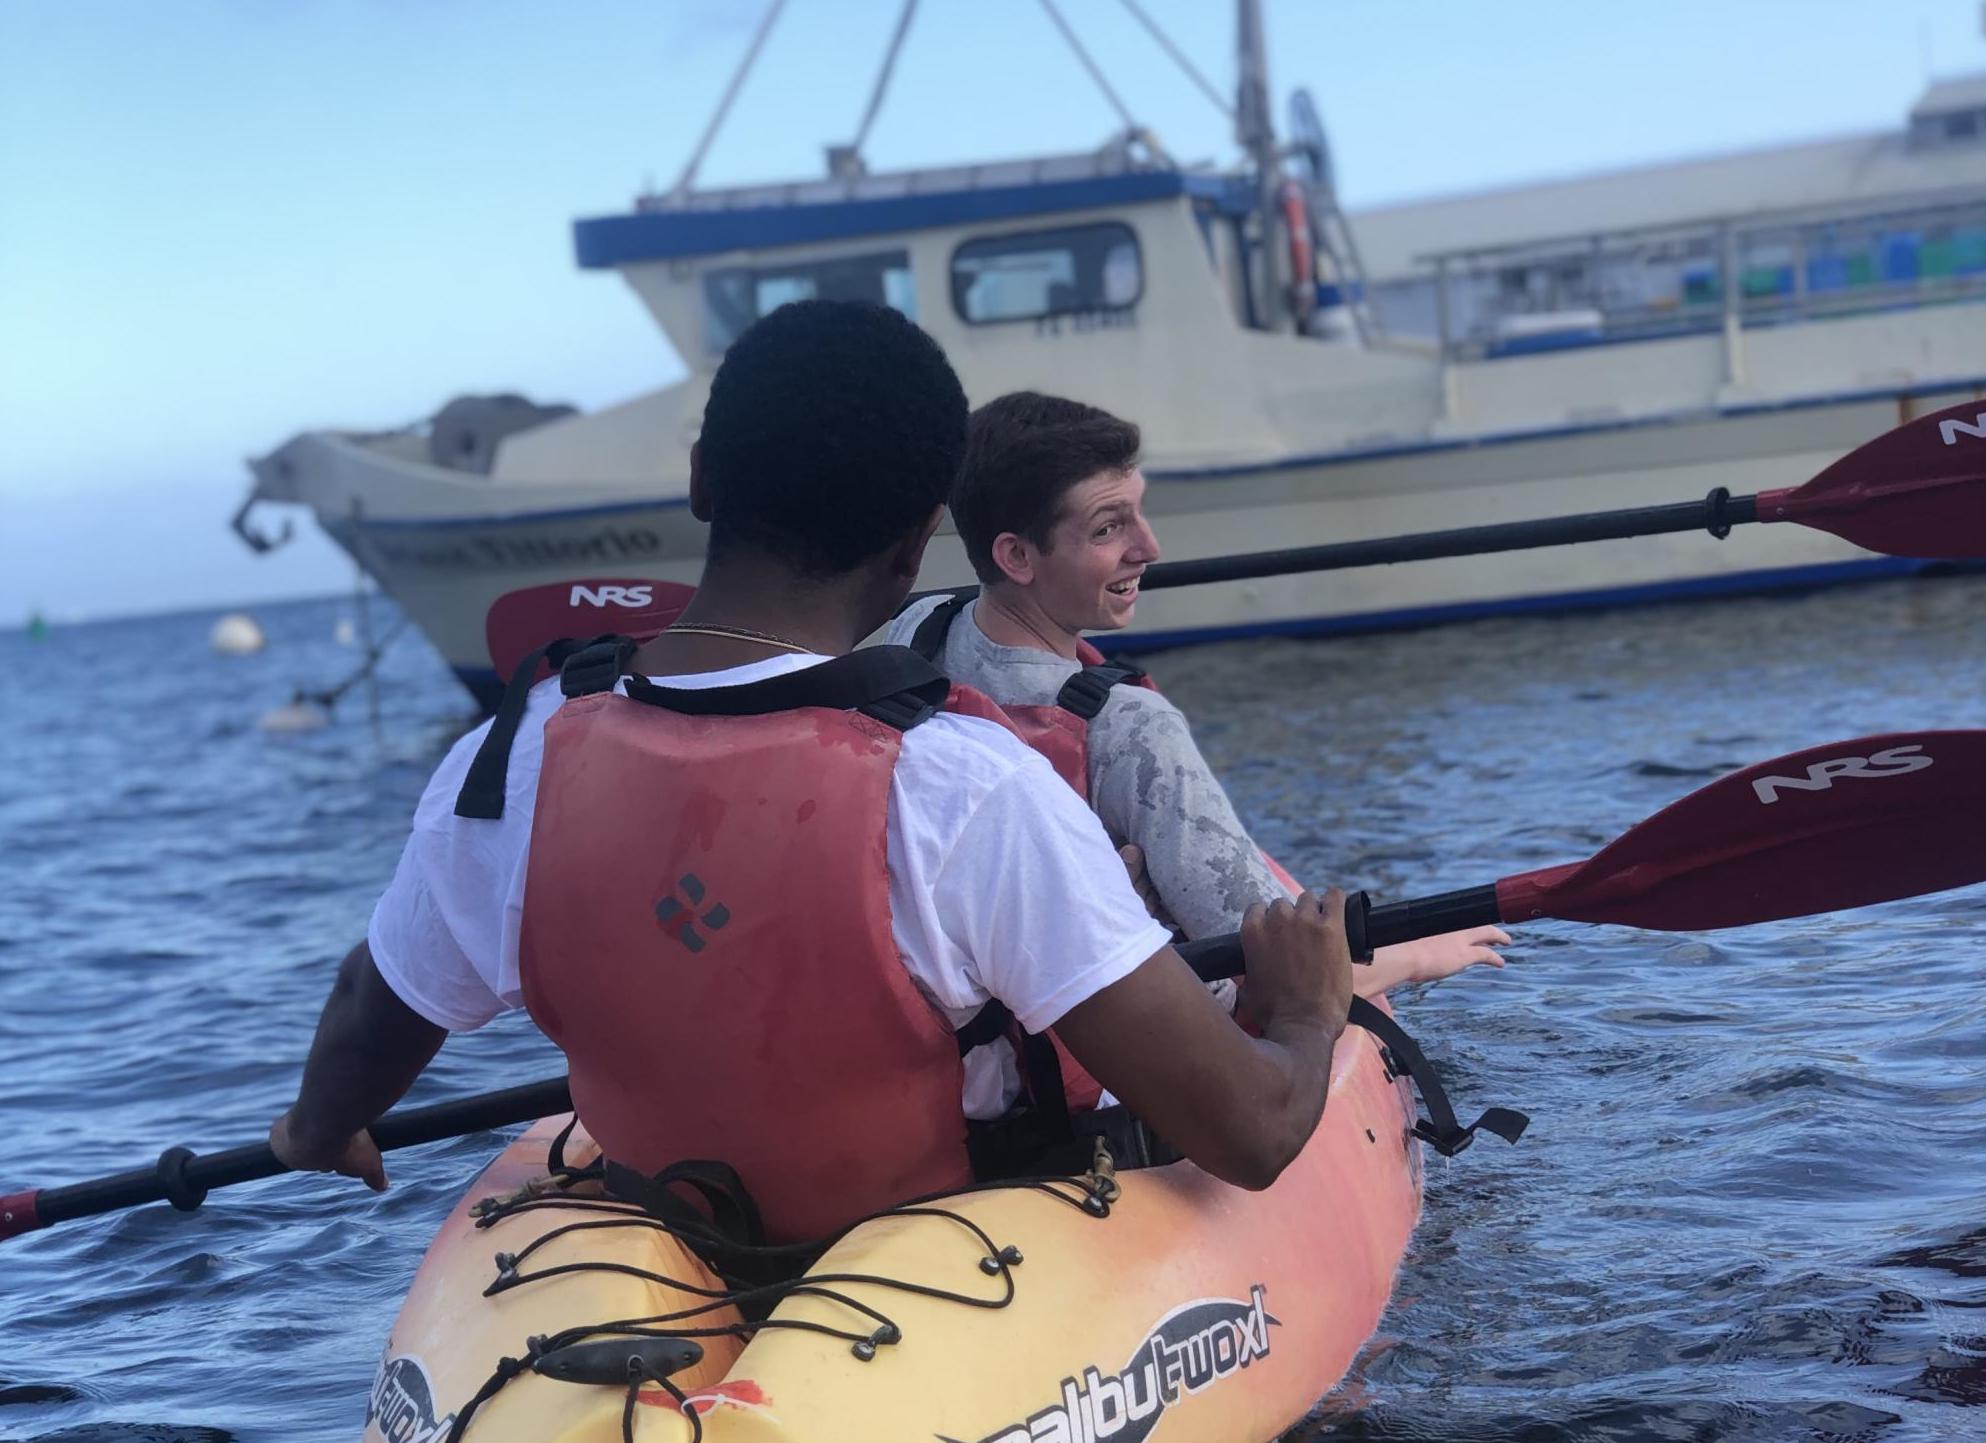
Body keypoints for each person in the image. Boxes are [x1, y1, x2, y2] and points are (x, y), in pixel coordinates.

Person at [268, 302, 1361, 1241]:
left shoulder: (507, 761)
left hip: (670, 1229)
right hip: (940, 1261)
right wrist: (1310, 1010)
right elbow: (1252, 1134)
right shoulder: (966, 786)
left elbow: (376, 1005)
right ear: (918, 540)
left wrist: (318, 1127)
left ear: (701, 480)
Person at [886, 390, 1510, 995]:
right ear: (1017, 555)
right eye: (1109, 529)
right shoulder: (1132, 727)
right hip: (1132, 1043)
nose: (1149, 548)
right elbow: (1274, 963)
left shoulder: (918, 632)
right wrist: (1420, 956)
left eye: (1139, 511)